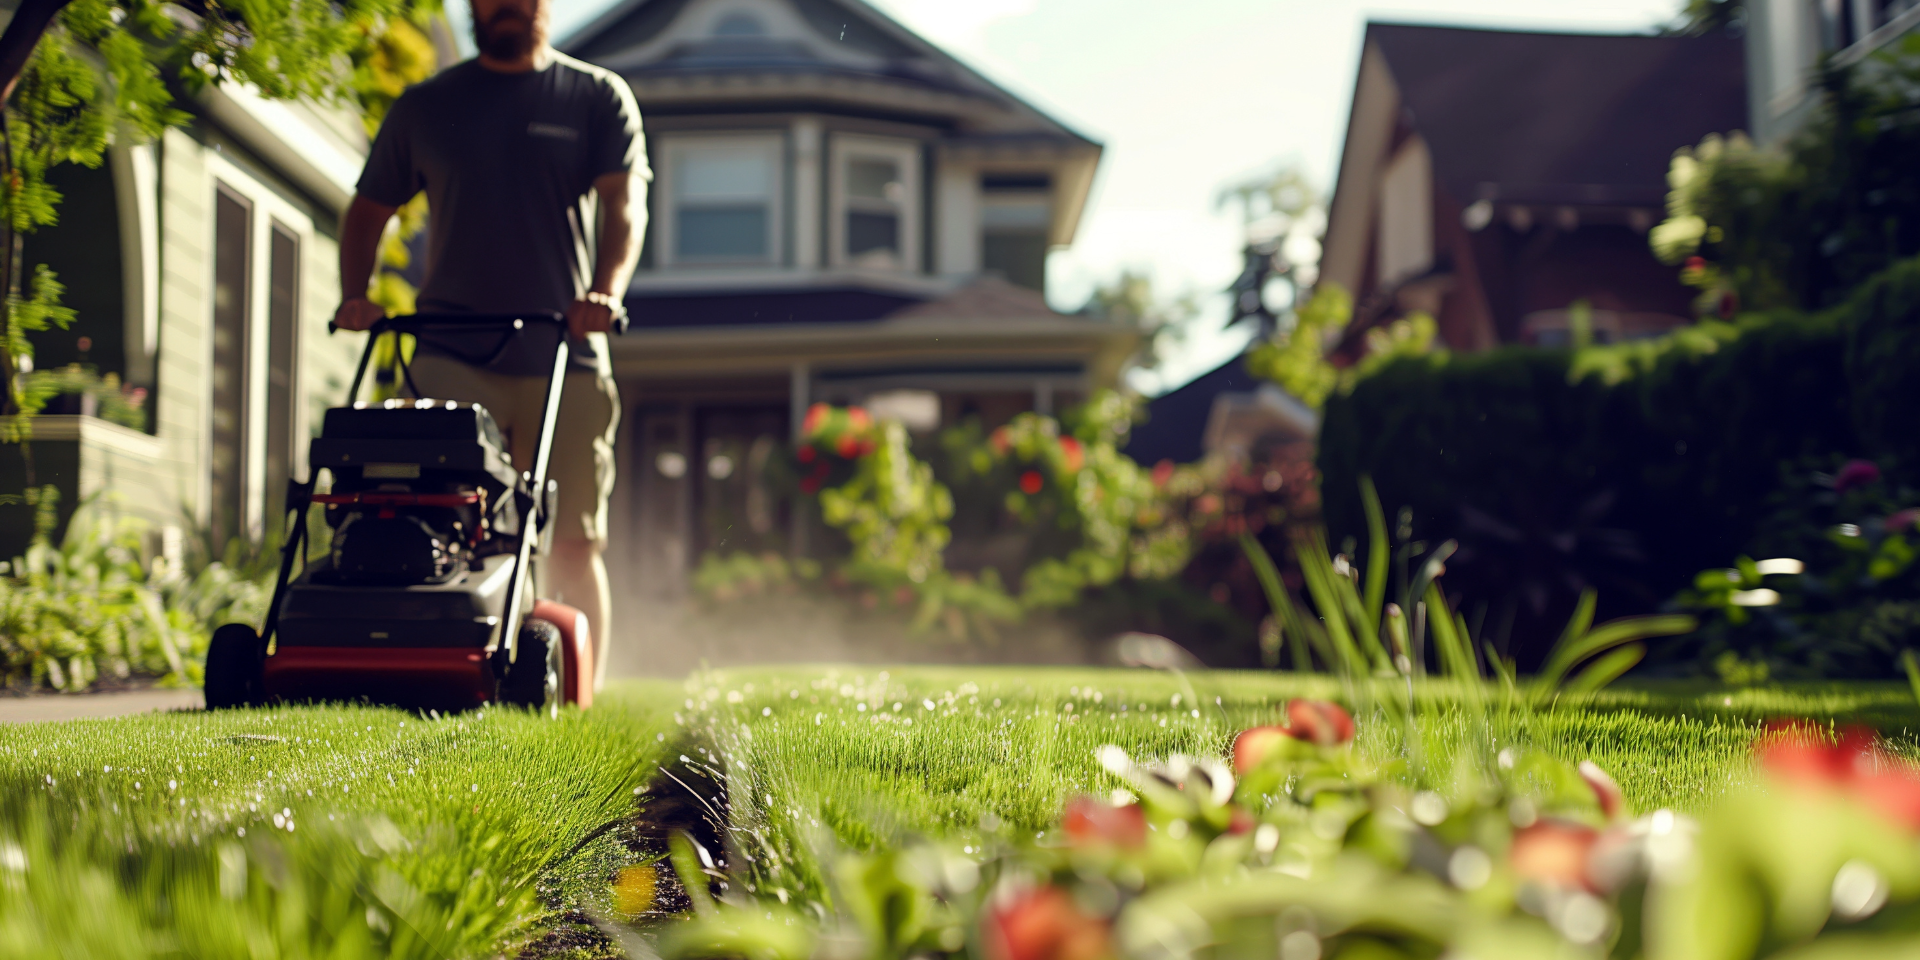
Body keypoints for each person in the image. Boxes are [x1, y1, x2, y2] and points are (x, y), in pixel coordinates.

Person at [334, 0, 646, 691]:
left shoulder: (595, 97)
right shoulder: (429, 106)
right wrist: (356, 293)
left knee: (569, 538)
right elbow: (368, 210)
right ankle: (431, 668)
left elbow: (625, 205)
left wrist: (607, 291)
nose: (504, 5)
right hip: (448, 348)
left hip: (565, 349)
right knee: (428, 516)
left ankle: (580, 692)